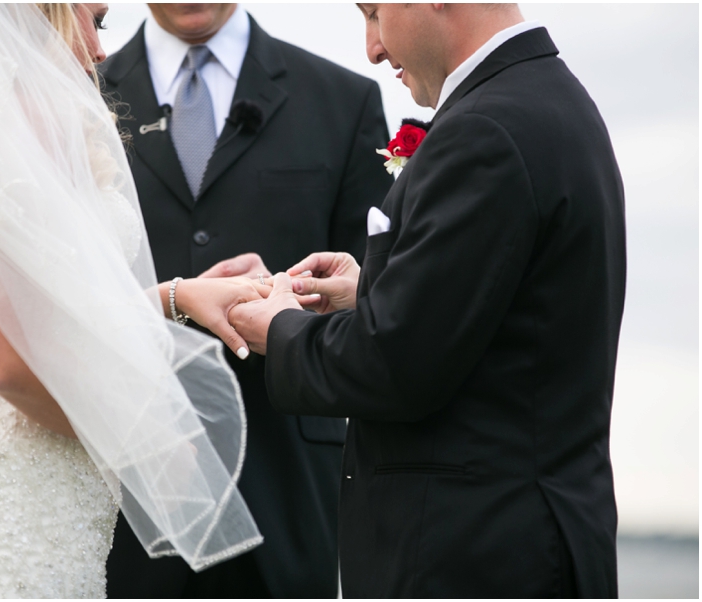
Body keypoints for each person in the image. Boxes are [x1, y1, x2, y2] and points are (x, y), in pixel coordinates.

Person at [0, 4, 269, 597]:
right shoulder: (14, 123)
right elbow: (9, 362)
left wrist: (178, 296)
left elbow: (17, 316)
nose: (98, 51)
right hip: (4, 517)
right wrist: (145, 441)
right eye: (90, 20)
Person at [227, 3, 626, 598]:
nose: (372, 48)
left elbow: (393, 366)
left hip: (473, 558)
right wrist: (369, 291)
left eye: (373, 12)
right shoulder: (549, 101)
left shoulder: (487, 130)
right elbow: (506, 312)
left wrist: (279, 326)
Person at [98, 3, 394, 597]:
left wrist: (289, 295)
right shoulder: (74, 96)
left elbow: (380, 306)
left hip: (289, 488)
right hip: (120, 491)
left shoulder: (343, 100)